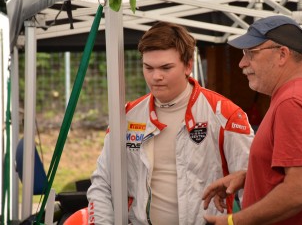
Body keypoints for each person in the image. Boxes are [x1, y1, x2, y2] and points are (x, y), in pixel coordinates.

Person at [87, 21, 254, 224]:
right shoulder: (126, 116)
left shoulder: (225, 114)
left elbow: (252, 184)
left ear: (188, 65)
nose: (156, 76)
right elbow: (103, 183)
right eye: (148, 67)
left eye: (166, 67)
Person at [202, 15, 302, 225]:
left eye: (251, 52)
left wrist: (233, 221)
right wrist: (250, 176)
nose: (242, 63)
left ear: (282, 54)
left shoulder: (293, 101)